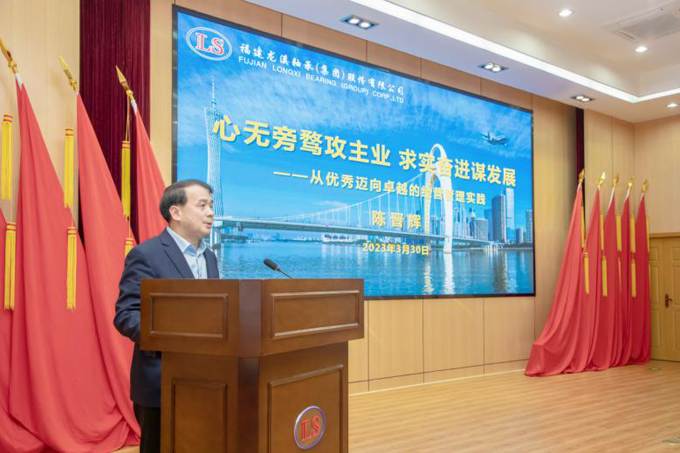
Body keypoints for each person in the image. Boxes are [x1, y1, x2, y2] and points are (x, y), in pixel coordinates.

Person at [114, 179, 220, 453]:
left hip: (208, 379)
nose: (211, 212)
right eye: (202, 205)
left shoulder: (210, 258)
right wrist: (174, 338)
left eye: (211, 206)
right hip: (161, 380)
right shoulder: (146, 255)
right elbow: (126, 315)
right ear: (176, 212)